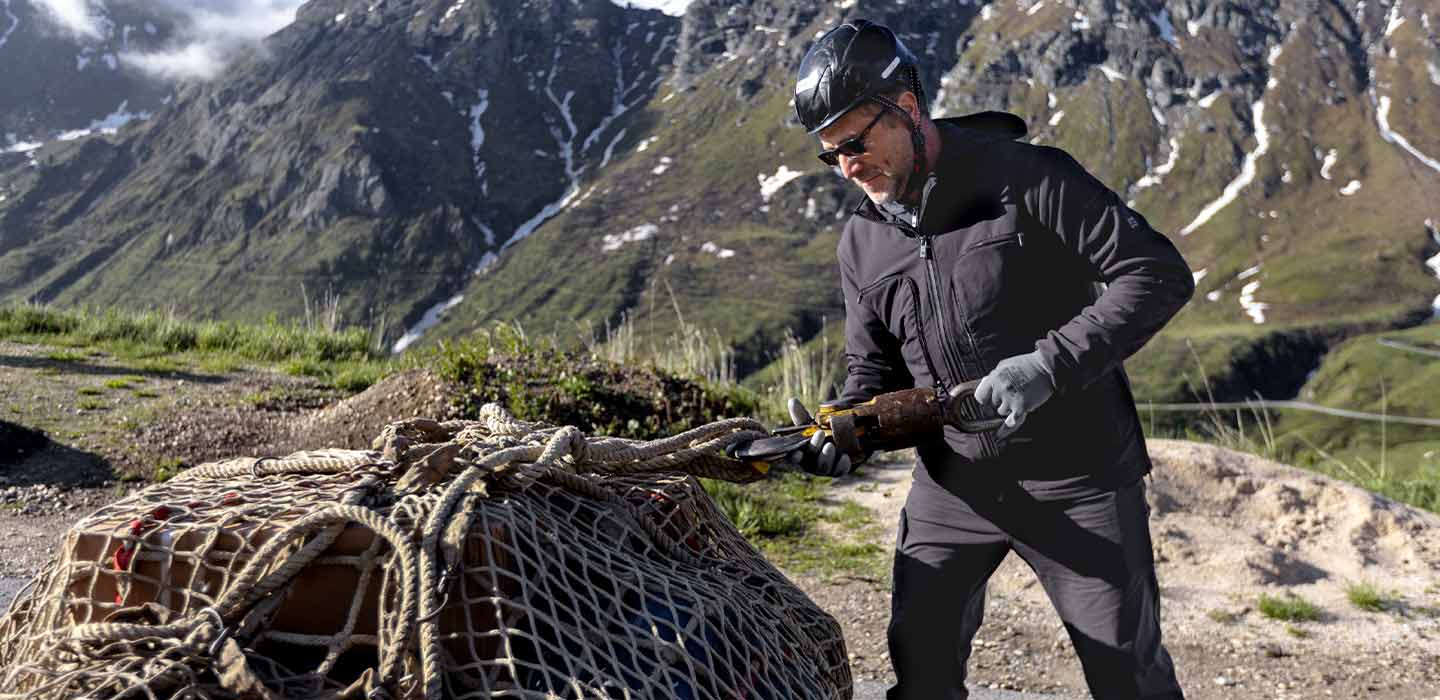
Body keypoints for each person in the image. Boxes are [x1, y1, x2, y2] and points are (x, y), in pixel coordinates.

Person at [785, 19, 1194, 700]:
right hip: (953, 489)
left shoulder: (1027, 177)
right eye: (832, 156)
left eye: (856, 143)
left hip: (1080, 480)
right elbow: (873, 372)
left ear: (908, 109)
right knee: (921, 672)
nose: (849, 168)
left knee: (1130, 680)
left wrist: (1048, 366)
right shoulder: (861, 243)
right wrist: (841, 433)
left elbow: (1155, 273)